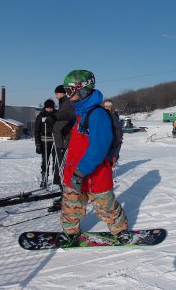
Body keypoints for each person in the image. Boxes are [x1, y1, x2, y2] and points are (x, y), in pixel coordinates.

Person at [59, 69, 130, 247]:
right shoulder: (81, 112)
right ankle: (70, 232)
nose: (68, 96)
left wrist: (81, 171)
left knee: (105, 207)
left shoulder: (97, 115)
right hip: (75, 171)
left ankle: (120, 230)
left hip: (94, 173)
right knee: (71, 205)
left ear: (81, 90)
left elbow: (98, 148)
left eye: (69, 91)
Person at [52, 85, 76, 188]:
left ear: (63, 93)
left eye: (57, 93)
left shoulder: (68, 102)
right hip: (60, 137)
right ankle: (58, 182)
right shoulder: (63, 103)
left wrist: (54, 117)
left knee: (63, 162)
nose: (55, 95)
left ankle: (63, 183)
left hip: (65, 138)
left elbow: (69, 115)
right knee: (58, 160)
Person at [34, 99, 56, 188]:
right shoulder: (41, 116)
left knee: (56, 161)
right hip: (44, 141)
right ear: (45, 107)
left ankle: (57, 179)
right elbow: (36, 131)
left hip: (55, 140)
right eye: (48, 108)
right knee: (45, 161)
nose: (49, 110)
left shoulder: (56, 115)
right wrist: (38, 144)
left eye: (51, 108)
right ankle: (44, 178)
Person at [103, 99, 123, 167]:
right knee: (105, 158)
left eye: (109, 106)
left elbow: (119, 128)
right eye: (106, 106)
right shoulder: (102, 115)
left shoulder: (115, 115)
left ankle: (111, 166)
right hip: (106, 139)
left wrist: (120, 137)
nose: (108, 107)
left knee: (113, 156)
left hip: (115, 138)